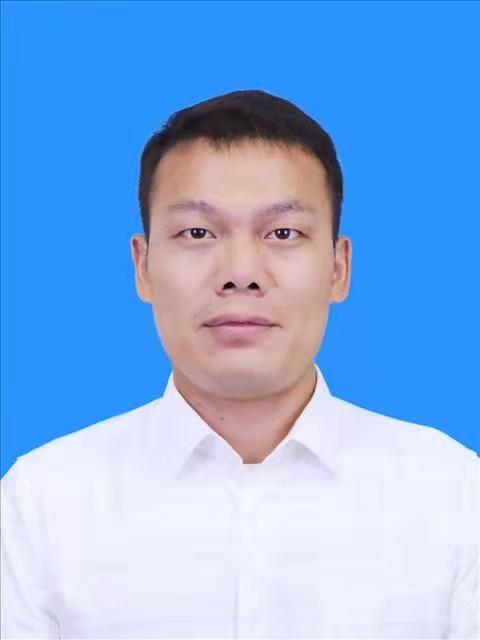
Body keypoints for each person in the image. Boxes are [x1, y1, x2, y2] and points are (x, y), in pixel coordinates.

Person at [1, 89, 478, 639]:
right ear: (143, 266)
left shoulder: (454, 495)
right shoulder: (39, 505)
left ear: (338, 268)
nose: (241, 273)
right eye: (197, 233)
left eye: (283, 234)